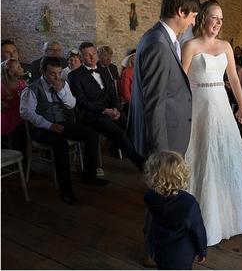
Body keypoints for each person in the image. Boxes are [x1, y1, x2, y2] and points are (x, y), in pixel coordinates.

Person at [181, 0, 242, 246]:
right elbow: (180, 80)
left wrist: (241, 106)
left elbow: (234, 80)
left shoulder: (226, 46)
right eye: (214, 18)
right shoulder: (190, 45)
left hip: (220, 105)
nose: (218, 23)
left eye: (221, 19)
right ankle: (198, 215)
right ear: (203, 18)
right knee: (201, 156)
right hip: (198, 106)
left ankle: (227, 213)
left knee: (225, 155)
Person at [128, 0, 200, 267]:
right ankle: (152, 250)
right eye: (192, 15)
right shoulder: (158, 43)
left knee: (163, 196)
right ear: (180, 11)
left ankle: (154, 245)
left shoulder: (161, 38)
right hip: (164, 141)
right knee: (161, 195)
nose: (194, 21)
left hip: (171, 134)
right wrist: (161, 155)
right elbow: (154, 103)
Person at [20, 56, 103, 204]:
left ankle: (89, 176)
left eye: (59, 73)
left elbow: (71, 105)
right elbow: (26, 112)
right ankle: (66, 190)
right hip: (41, 128)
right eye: (52, 73)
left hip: (61, 122)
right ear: (42, 71)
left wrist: (61, 92)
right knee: (61, 144)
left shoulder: (63, 84)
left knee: (92, 134)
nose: (57, 77)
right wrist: (48, 125)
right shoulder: (32, 89)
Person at [68, 42, 145, 170]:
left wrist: (117, 109)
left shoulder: (103, 71)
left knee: (131, 125)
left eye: (93, 54)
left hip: (110, 111)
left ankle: (139, 154)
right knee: (118, 133)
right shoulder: (75, 76)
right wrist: (105, 110)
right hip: (91, 115)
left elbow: (112, 94)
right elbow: (81, 102)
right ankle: (142, 165)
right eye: (88, 55)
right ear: (81, 58)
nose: (92, 58)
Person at [144, 151, 207, 269]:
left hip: (159, 248)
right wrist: (202, 250)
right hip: (181, 255)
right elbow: (198, 230)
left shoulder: (149, 197)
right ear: (182, 175)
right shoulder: (189, 203)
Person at [1, 59, 28, 167]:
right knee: (19, 132)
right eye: (18, 67)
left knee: (23, 133)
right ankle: (16, 162)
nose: (21, 69)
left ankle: (23, 162)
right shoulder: (2, 85)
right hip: (8, 115)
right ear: (10, 72)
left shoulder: (22, 83)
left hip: (20, 113)